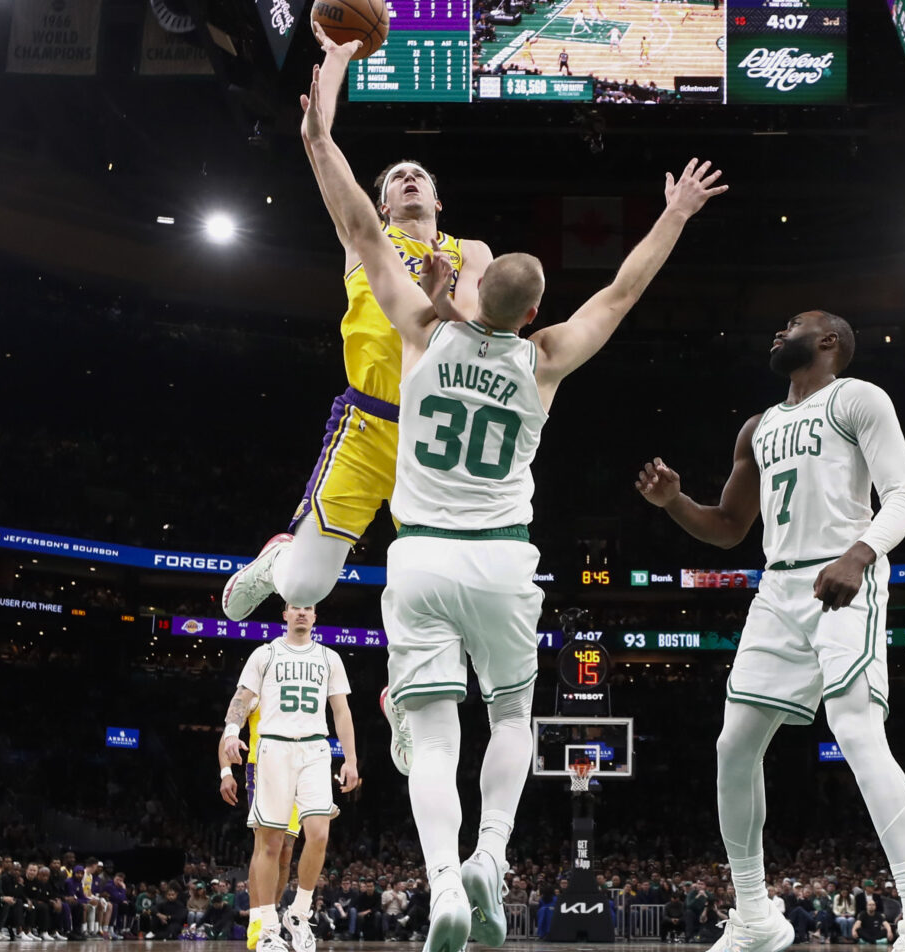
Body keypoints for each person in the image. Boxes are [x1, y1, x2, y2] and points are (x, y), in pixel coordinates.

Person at [300, 25, 723, 952]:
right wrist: (676, 214)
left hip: (418, 561)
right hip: (501, 566)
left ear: (464, 291)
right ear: (530, 311)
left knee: (426, 726)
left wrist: (320, 132)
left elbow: (359, 226)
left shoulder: (419, 328)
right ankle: (492, 854)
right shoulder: (544, 360)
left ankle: (445, 880)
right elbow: (621, 290)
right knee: (514, 716)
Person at [635, 309, 905, 952]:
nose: (777, 332)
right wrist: (674, 504)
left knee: (858, 732)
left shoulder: (856, 397)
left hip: (844, 572)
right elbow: (727, 526)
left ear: (829, 341)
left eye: (792, 325)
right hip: (777, 587)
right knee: (733, 747)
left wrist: (859, 556)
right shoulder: (759, 426)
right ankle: (754, 914)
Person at [217, 65, 495, 628]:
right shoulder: (367, 238)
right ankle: (278, 559)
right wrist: (326, 97)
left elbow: (468, 322)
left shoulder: (473, 250)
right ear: (384, 203)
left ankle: (409, 707)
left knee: (434, 587)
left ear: (439, 203)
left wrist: (440, 299)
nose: (411, 178)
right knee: (306, 585)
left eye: (421, 174)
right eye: (398, 177)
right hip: (367, 425)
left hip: (436, 434)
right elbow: (325, 154)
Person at [220, 601, 359, 952]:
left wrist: (351, 759)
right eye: (294, 607)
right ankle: (266, 929)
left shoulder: (330, 658)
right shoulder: (265, 654)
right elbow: (241, 698)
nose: (300, 612)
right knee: (270, 845)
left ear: (314, 616)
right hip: (273, 749)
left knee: (319, 834)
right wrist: (231, 731)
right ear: (285, 615)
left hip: (314, 748)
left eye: (307, 608)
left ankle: (298, 913)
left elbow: (341, 711)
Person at [219, 704, 305, 949]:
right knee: (267, 845)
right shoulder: (257, 684)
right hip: (262, 767)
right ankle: (259, 923)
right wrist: (226, 773)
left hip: (297, 770)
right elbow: (228, 733)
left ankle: (271, 918)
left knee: (286, 853)